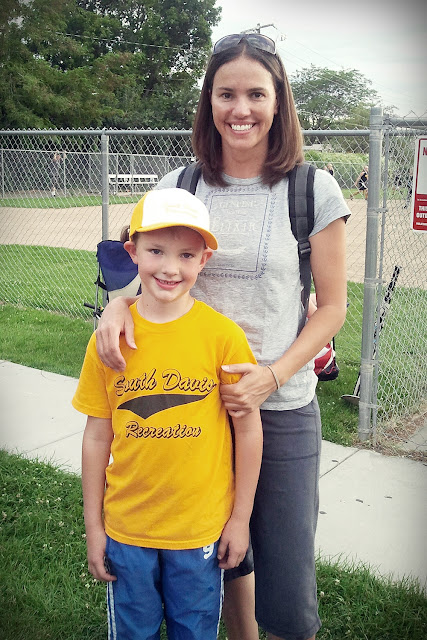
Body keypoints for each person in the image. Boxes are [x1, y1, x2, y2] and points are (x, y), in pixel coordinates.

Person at [95, 33, 349, 640]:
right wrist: (114, 306)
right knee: (224, 554)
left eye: (256, 94)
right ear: (208, 101)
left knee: (286, 573)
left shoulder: (311, 190)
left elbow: (333, 308)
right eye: (225, 94)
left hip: (279, 406)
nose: (241, 109)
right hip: (195, 406)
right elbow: (137, 267)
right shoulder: (179, 185)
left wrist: (271, 376)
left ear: (278, 101)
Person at [72, 187, 263, 640]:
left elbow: (248, 432)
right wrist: (94, 527)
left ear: (204, 260)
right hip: (127, 528)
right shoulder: (108, 342)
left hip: (199, 529)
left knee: (193, 631)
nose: (170, 268)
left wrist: (239, 520)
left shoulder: (222, 337)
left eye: (186, 255)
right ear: (132, 252)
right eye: (156, 251)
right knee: (133, 632)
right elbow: (96, 437)